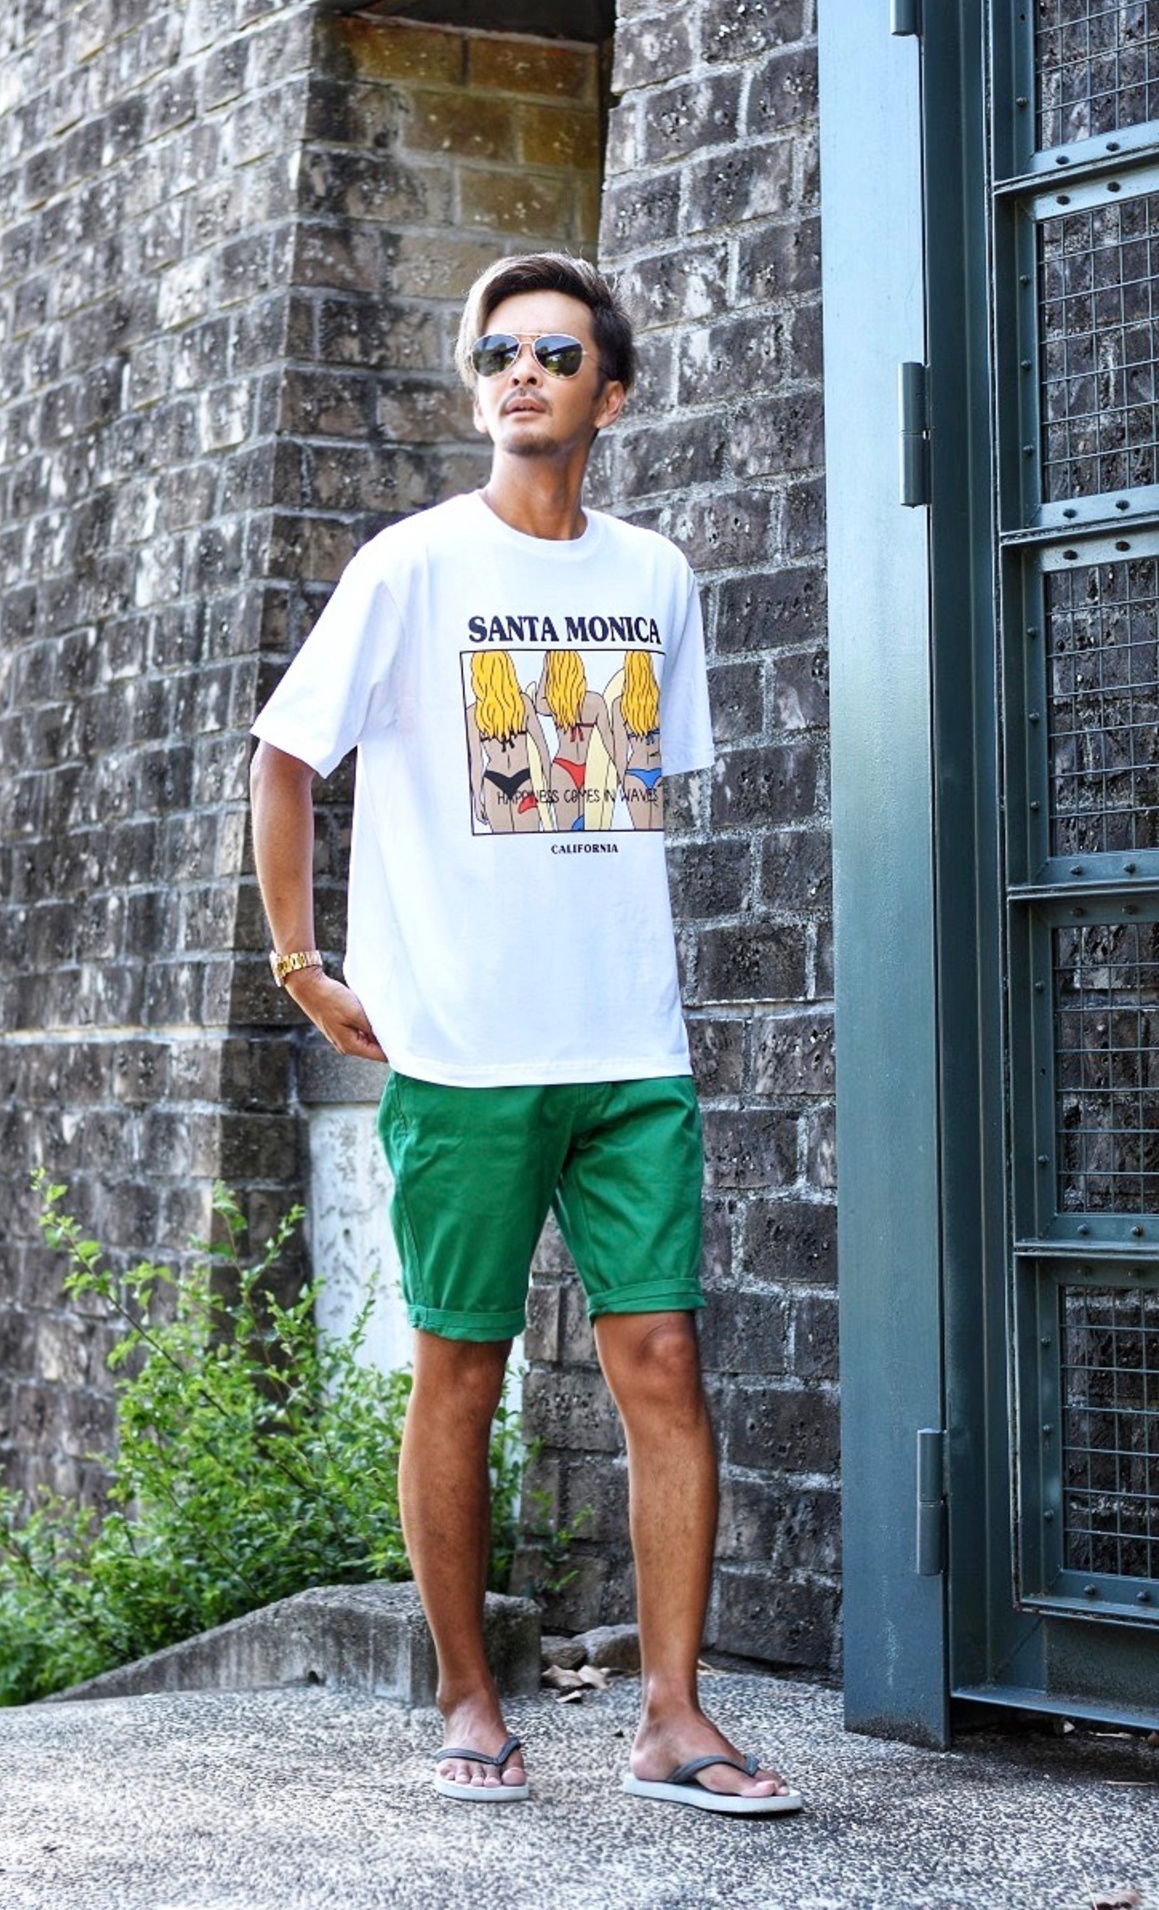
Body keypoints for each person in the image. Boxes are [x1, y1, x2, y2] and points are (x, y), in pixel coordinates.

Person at [247, 252, 802, 1817]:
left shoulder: (656, 575)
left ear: (608, 395)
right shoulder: (410, 566)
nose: (522, 373)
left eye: (556, 354)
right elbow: (284, 757)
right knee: (462, 1373)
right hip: (462, 1051)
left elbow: (623, 799)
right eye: (499, 351)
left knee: (664, 1361)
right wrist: (301, 964)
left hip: (628, 1043)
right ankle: (469, 1699)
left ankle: (674, 1719)